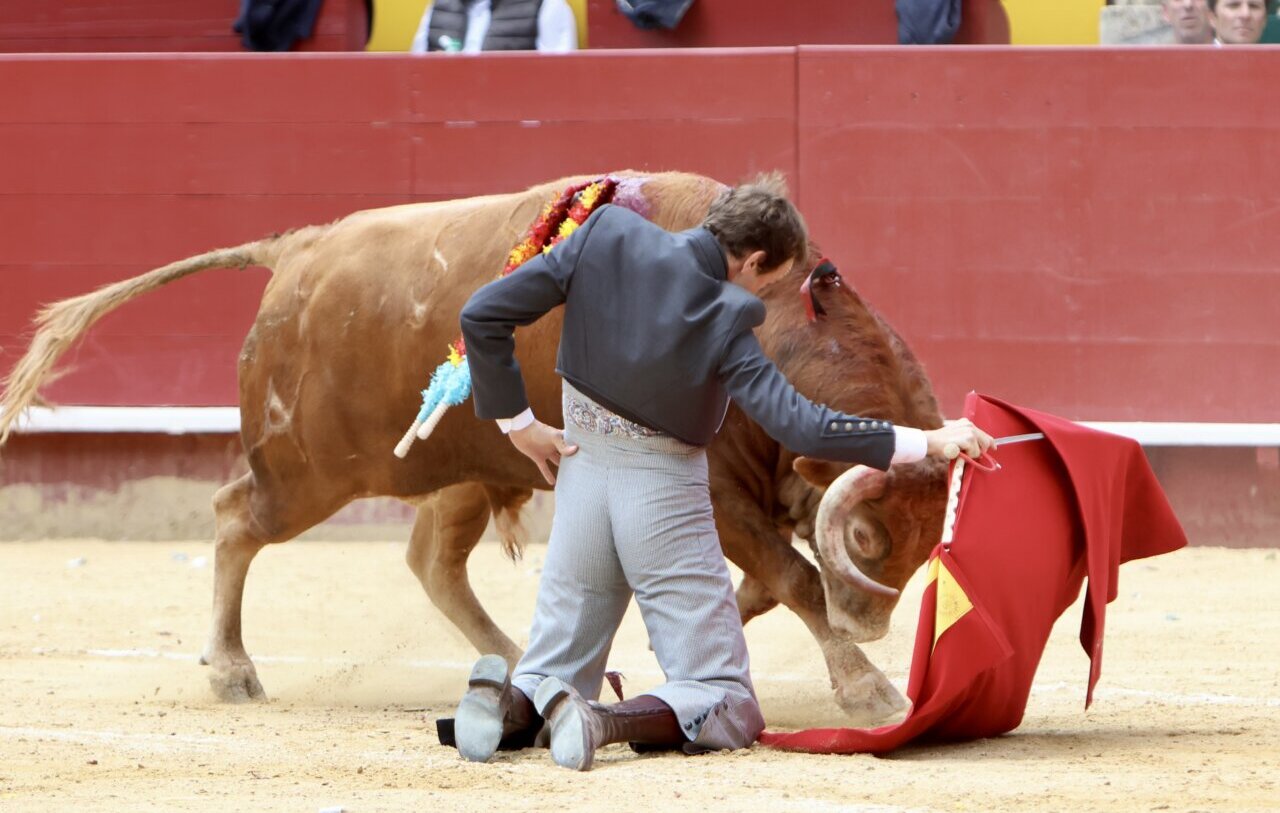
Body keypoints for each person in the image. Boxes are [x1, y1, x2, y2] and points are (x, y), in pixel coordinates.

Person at [452, 174, 994, 771]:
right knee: (722, 697)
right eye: (769, 280)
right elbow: (802, 427)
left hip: (580, 483)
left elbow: (482, 315)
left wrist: (519, 424)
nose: (765, 292)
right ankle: (601, 720)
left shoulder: (604, 232)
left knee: (552, 668)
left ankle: (507, 702)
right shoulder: (728, 313)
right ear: (753, 260)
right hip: (661, 501)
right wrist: (928, 440)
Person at [409, 0, 577, 53]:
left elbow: (557, 88)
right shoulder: (439, 7)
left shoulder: (547, 5)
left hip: (511, 123)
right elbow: (417, 80)